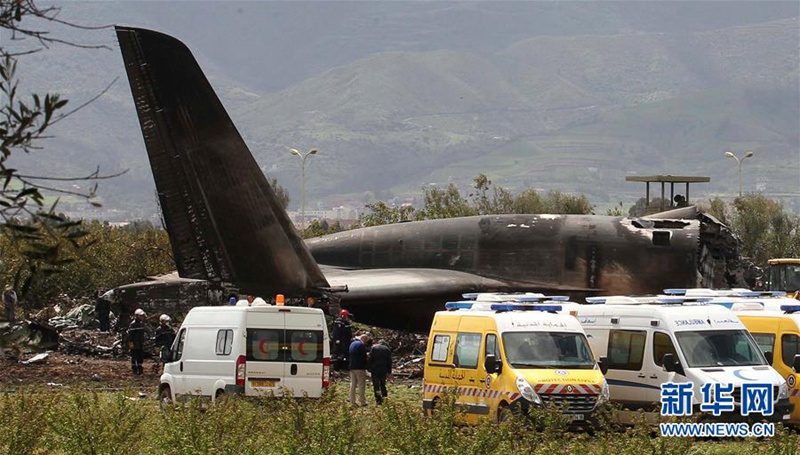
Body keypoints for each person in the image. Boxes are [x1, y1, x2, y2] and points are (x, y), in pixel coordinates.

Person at [367, 339, 392, 405]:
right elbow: (389, 361)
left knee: (376, 385)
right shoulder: (387, 349)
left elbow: (370, 358)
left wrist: (368, 368)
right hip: (383, 369)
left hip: (374, 369)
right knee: (383, 384)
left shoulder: (373, 348)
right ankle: (385, 397)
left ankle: (378, 400)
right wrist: (389, 371)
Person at [348, 333, 370, 407]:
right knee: (361, 384)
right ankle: (362, 401)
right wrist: (367, 366)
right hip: (359, 367)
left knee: (353, 384)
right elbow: (364, 357)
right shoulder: (361, 345)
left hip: (352, 366)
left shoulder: (352, 344)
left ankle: (352, 401)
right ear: (364, 339)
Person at [128, 308, 147, 375]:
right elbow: (130, 335)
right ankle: (134, 369)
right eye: (141, 316)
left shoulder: (142, 324)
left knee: (140, 356)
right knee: (134, 356)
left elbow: (143, 334)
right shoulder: (132, 324)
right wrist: (131, 343)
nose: (142, 317)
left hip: (140, 343)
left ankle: (140, 368)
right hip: (134, 343)